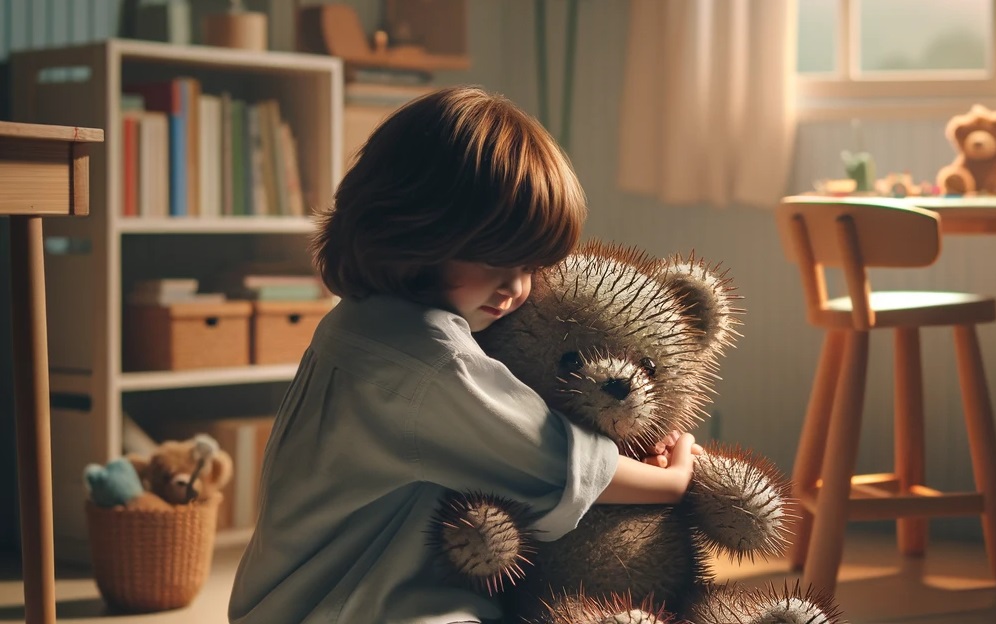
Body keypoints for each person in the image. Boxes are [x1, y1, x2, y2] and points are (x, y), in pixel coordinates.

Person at [227, 86, 702, 624]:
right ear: (416, 228)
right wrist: (671, 480)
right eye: (496, 260)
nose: (516, 288)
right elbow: (549, 458)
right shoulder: (430, 359)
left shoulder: (355, 320)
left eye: (531, 266)